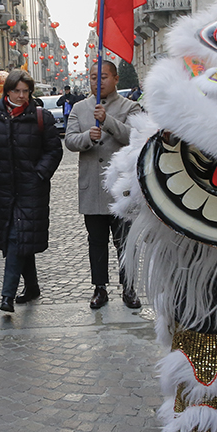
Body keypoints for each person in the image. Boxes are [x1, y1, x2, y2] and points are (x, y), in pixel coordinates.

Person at [0, 69, 62, 312]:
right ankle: (32, 287)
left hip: (31, 189)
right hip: (2, 189)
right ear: (8, 91)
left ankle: (7, 296)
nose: (22, 96)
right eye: (17, 91)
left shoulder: (41, 116)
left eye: (26, 91)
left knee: (15, 237)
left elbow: (54, 151)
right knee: (20, 237)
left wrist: (39, 174)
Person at [64, 60, 144, 309]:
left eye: (103, 77)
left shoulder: (131, 106)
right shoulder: (79, 107)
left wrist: (107, 121)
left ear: (116, 78)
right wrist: (88, 136)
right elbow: (70, 140)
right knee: (96, 241)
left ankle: (128, 286)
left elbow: (135, 137)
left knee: (124, 241)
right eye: (92, 77)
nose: (97, 82)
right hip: (93, 187)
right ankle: (99, 288)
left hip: (121, 189)